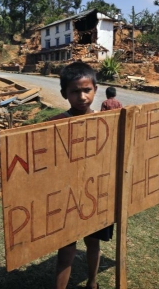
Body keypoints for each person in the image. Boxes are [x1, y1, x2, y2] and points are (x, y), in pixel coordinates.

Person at [49, 62, 114, 289]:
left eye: (86, 90)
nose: (82, 96)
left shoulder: (107, 122)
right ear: (64, 93)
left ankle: (93, 283)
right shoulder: (54, 125)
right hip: (66, 197)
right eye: (75, 91)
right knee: (66, 249)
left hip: (94, 194)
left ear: (96, 89)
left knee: (93, 243)